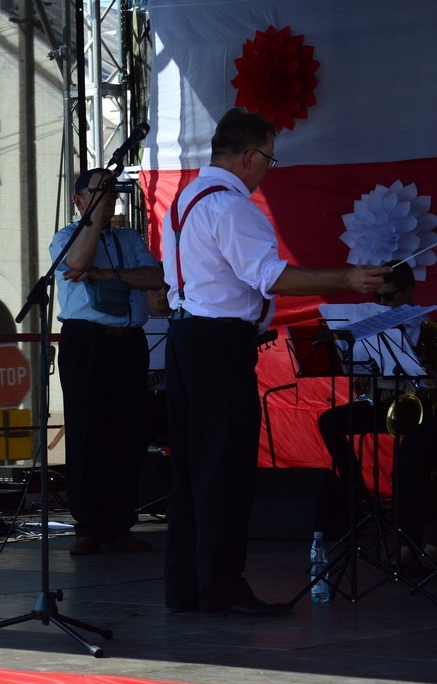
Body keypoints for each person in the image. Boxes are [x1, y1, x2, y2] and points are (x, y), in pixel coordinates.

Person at [161, 108, 388, 616]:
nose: (268, 167)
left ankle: (188, 586)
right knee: (224, 469)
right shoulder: (230, 207)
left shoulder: (184, 201)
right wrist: (347, 279)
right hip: (217, 343)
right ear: (248, 156)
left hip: (186, 339)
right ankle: (220, 588)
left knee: (192, 470)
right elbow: (271, 275)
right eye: (268, 157)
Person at [51, 168, 164, 556]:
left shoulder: (129, 238)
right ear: (79, 200)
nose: (109, 198)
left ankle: (120, 524)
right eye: (99, 192)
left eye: (111, 192)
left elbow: (154, 277)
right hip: (87, 340)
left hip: (128, 342)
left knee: (128, 434)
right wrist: (94, 220)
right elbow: (78, 262)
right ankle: (88, 526)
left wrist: (108, 273)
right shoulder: (66, 236)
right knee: (87, 433)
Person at [316, 262, 437, 565]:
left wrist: (412, 391)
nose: (382, 303)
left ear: (409, 291)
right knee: (330, 421)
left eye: (388, 297)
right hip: (384, 404)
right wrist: (363, 378)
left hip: (415, 407)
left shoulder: (427, 327)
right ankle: (358, 495)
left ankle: (416, 539)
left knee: (413, 449)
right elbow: (372, 370)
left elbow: (429, 380)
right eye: (378, 297)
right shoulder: (373, 325)